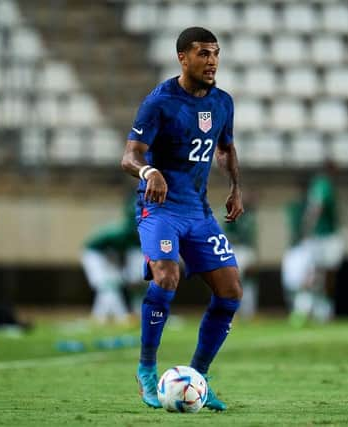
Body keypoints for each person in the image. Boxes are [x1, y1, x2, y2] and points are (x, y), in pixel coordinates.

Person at [121, 27, 243, 411]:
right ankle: (145, 371)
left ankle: (198, 379)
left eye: (216, 53)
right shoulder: (159, 102)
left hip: (198, 211)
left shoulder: (222, 102)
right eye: (203, 53)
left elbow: (224, 147)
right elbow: (130, 156)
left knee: (231, 291)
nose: (212, 61)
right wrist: (148, 172)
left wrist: (235, 186)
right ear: (183, 57)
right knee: (167, 275)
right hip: (160, 208)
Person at [281, 161, 343, 325]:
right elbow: (317, 208)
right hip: (323, 237)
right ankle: (315, 310)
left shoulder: (321, 185)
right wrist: (309, 229)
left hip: (319, 236)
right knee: (319, 274)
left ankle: (313, 309)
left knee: (317, 274)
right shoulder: (323, 183)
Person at [81, 190, 142, 323]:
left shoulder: (135, 238)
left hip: (109, 256)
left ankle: (100, 316)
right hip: (95, 254)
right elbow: (103, 249)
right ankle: (120, 316)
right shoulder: (123, 233)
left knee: (111, 284)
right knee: (107, 284)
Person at [222, 191, 258, 320]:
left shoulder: (251, 214)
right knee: (234, 281)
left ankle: (248, 312)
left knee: (249, 281)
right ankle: (232, 311)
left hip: (248, 250)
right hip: (236, 249)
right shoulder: (232, 211)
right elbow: (227, 233)